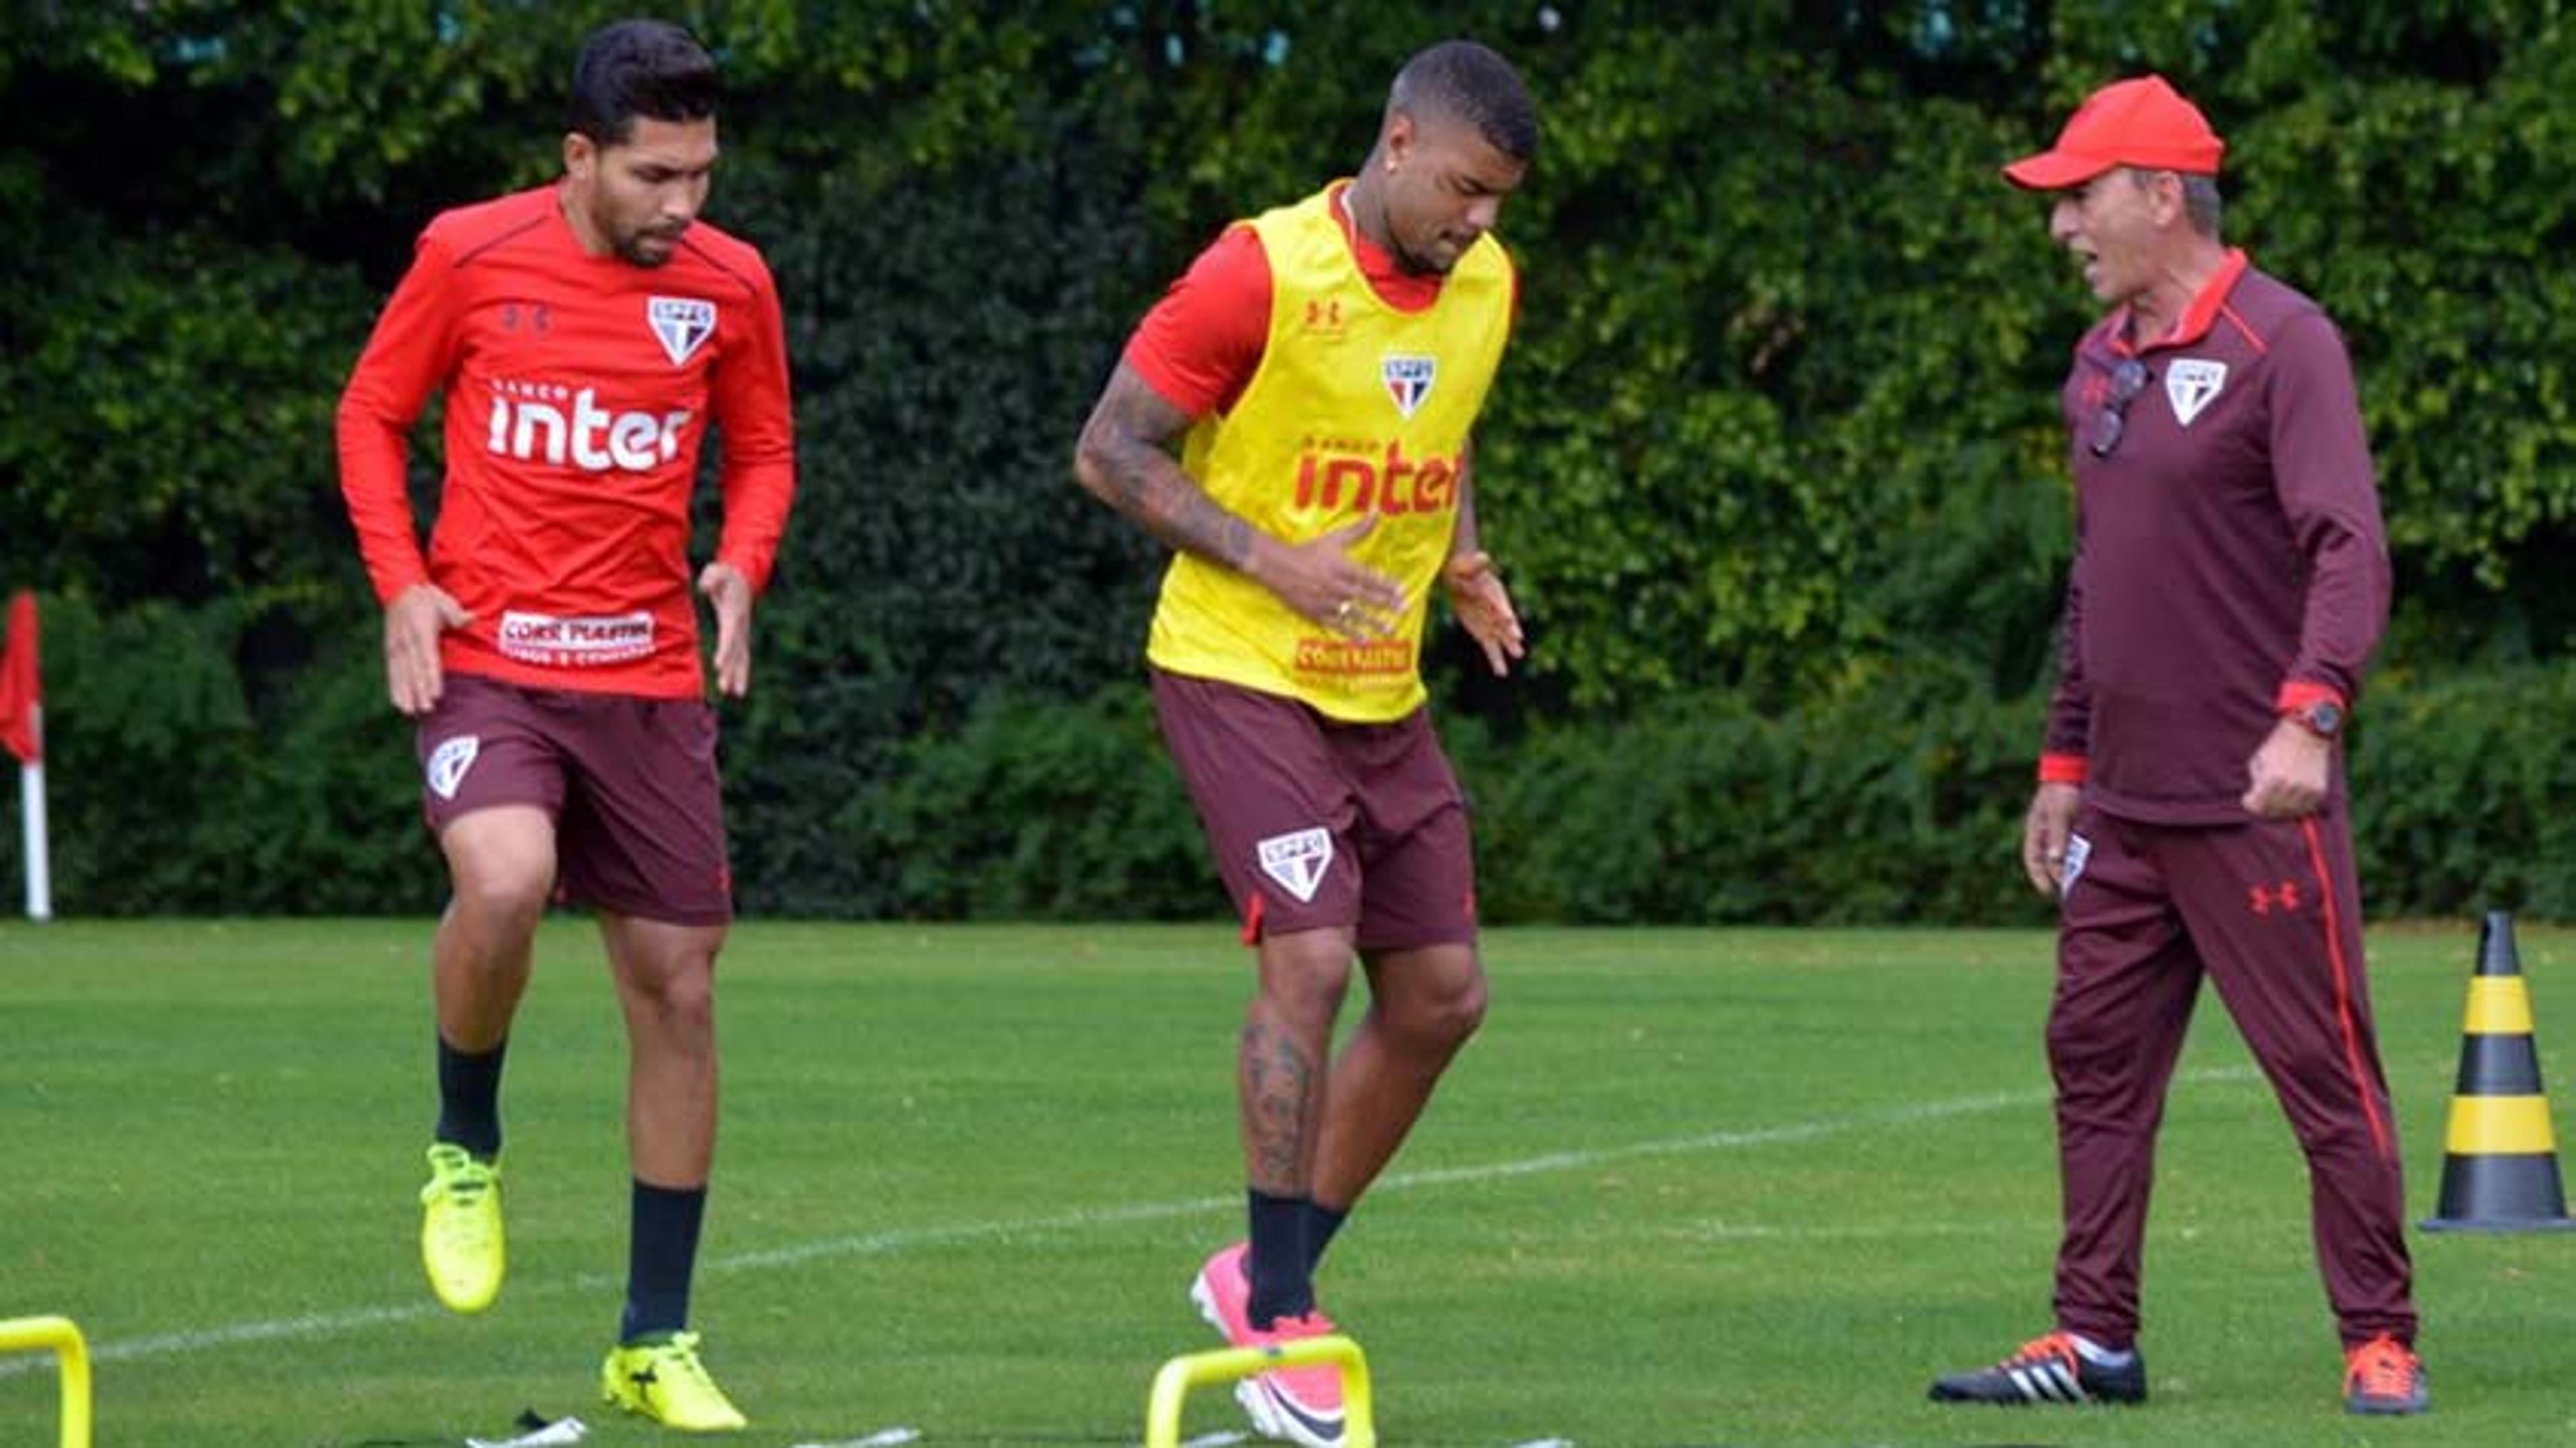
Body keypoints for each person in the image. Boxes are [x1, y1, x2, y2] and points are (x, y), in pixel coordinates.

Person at [1927, 75, 2425, 1416]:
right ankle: (2094, 1338)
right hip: (2122, 812)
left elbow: (2347, 546)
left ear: (2161, 193)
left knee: (2324, 1075)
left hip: (2257, 801)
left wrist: (2310, 713)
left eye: (2081, 198)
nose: (2064, 227)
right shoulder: (2101, 360)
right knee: (2090, 1064)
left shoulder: (2287, 342)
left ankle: (2379, 1335)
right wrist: (2062, 762)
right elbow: (2101, 577)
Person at [1071, 38, 1537, 1448]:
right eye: (1462, 189)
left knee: (1446, 992)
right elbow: (1110, 450)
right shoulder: (1257, 271)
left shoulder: (1488, 283)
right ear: (1397, 143)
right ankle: (1279, 1317)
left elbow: (1439, 430)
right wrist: (1273, 559)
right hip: (1236, 663)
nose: (1478, 222)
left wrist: (1463, 560)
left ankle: (1269, 1267)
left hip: (1377, 688)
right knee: (1313, 953)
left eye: (1501, 200)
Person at [335, 18, 794, 1433]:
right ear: (580, 156)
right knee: (508, 875)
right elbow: (371, 412)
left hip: (649, 678)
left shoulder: (730, 285)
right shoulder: (469, 255)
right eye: (656, 175)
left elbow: (766, 447)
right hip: (493, 662)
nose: (684, 205)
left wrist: (743, 561)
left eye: (703, 174)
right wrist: (403, 582)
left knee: (681, 989)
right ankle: (465, 1136)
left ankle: (652, 1338)